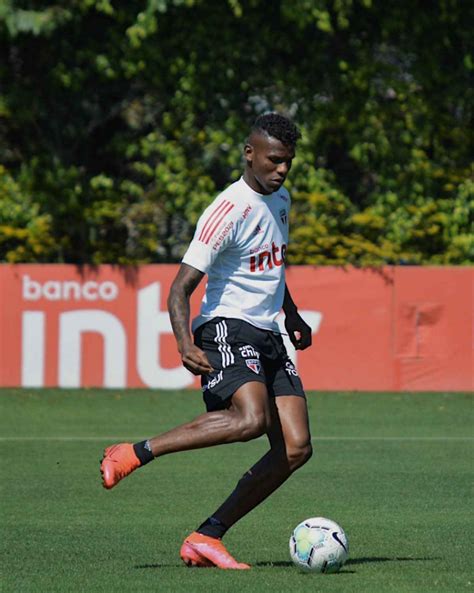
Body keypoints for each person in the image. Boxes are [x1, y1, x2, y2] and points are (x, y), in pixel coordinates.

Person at [100, 112, 313, 570]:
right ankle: (134, 452)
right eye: (275, 160)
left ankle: (206, 536)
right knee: (250, 419)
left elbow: (270, 267)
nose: (282, 170)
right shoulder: (227, 209)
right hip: (227, 326)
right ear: (249, 153)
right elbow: (180, 287)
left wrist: (291, 314)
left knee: (296, 448)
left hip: (271, 333)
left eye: (288, 162)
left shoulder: (282, 200)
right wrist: (184, 343)